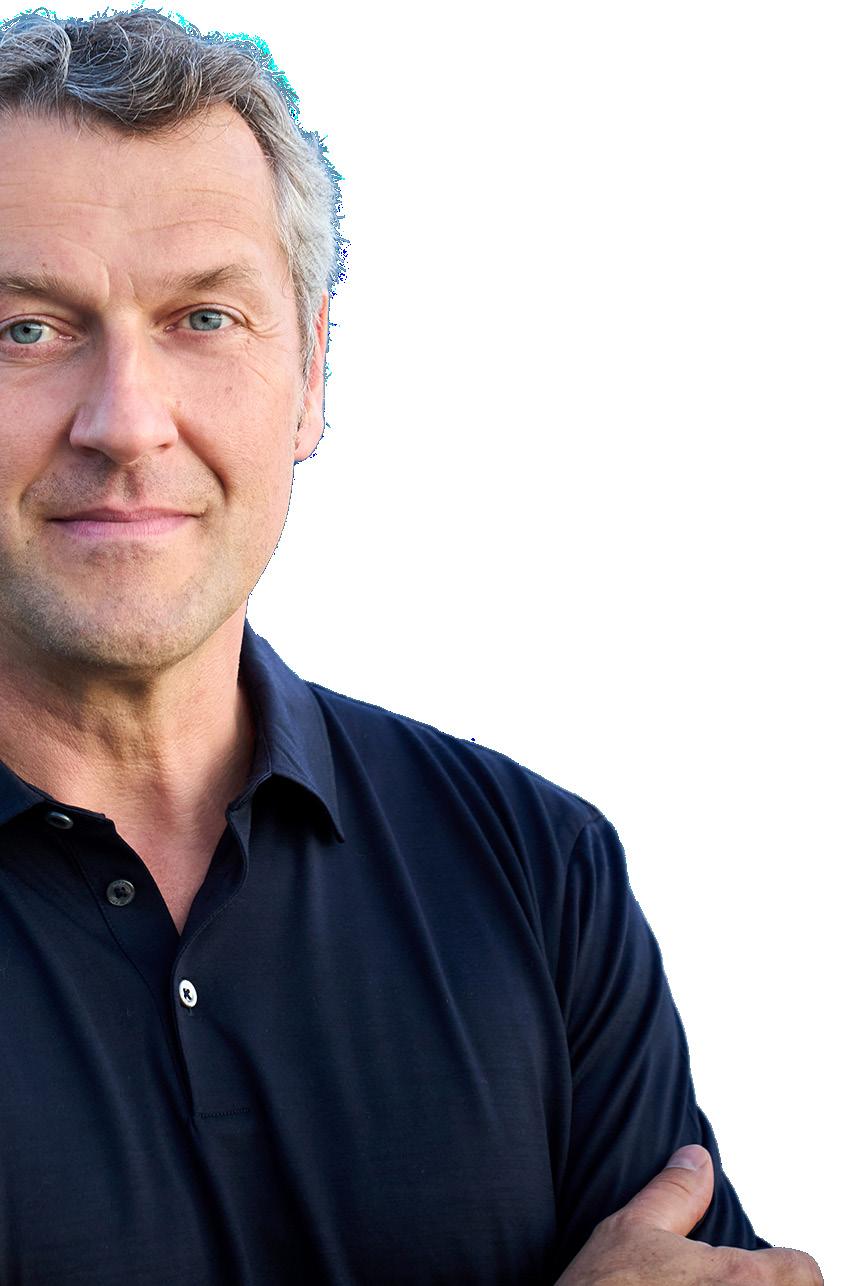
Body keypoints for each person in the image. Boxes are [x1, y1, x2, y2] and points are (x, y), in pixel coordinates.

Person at [0, 8, 822, 1285]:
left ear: (312, 372)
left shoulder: (537, 870)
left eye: (204, 318)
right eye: (28, 329)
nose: (126, 421)